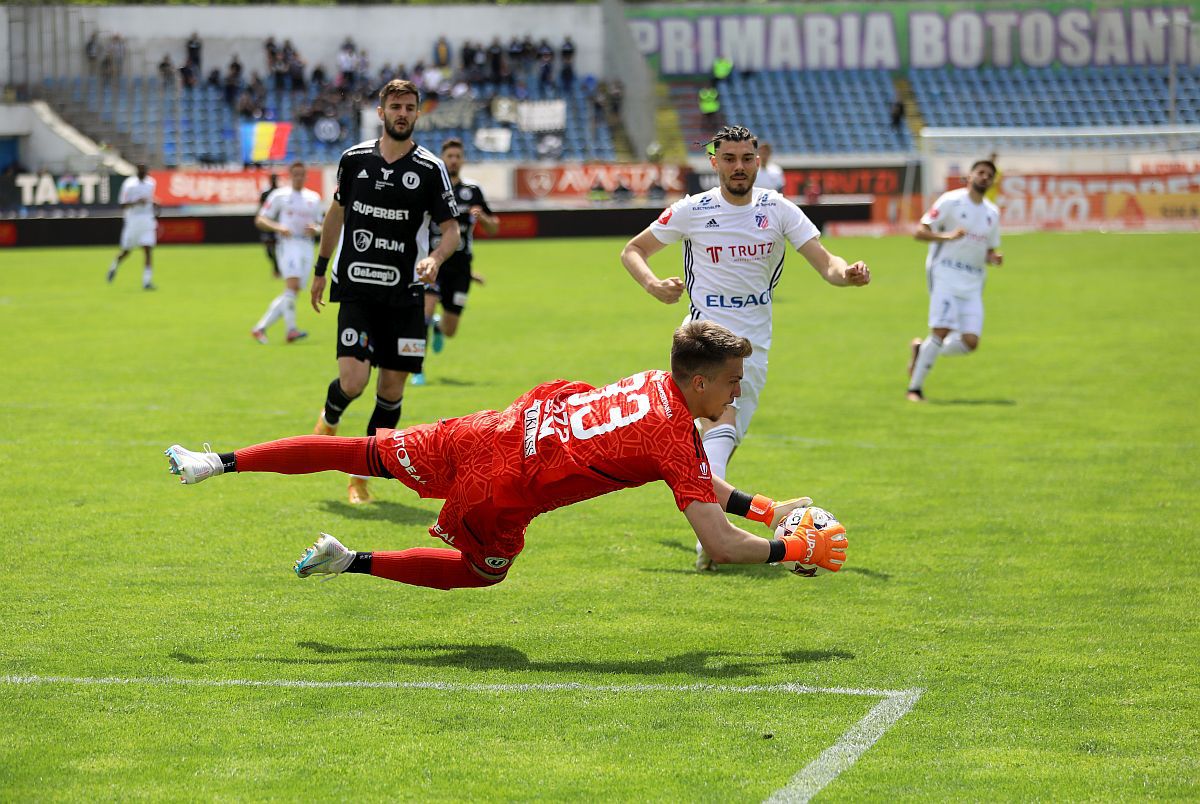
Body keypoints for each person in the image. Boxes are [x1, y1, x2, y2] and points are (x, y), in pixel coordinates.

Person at [164, 321, 848, 587]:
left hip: (488, 430)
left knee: (357, 448)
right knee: (484, 571)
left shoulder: (653, 383)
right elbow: (721, 546)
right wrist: (793, 549)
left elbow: (703, 482)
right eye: (731, 384)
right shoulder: (673, 436)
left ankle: (214, 461)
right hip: (506, 482)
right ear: (697, 382)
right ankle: (352, 560)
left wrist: (767, 508)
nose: (736, 397)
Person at [619, 125, 870, 571]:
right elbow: (633, 250)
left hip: (754, 345)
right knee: (718, 422)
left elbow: (825, 261)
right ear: (713, 162)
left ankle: (718, 524)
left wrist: (845, 272)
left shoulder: (779, 210)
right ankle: (716, 537)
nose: (739, 167)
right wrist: (653, 285)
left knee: (712, 442)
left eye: (746, 158)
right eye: (729, 158)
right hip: (702, 337)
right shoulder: (693, 209)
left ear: (759, 161)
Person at [308, 78, 460, 505]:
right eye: (395, 106)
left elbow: (451, 232)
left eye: (409, 107)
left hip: (406, 295)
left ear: (416, 113)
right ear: (381, 112)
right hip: (356, 287)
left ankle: (359, 476)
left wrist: (435, 258)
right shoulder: (353, 159)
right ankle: (330, 415)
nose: (402, 113)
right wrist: (320, 269)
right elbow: (334, 216)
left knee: (391, 390)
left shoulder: (430, 169)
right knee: (353, 381)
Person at [906, 158, 1002, 402]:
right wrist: (949, 237)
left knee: (970, 342)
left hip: (973, 280)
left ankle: (922, 351)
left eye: (989, 175)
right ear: (969, 177)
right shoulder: (951, 200)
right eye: (980, 172)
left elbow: (990, 249)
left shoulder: (992, 213)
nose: (984, 177)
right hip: (945, 272)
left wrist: (993, 258)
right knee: (941, 330)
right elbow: (920, 232)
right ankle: (914, 389)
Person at [413, 137, 498, 386]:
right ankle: (417, 368)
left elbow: (494, 228)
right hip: (433, 263)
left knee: (451, 329)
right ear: (442, 159)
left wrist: (481, 217)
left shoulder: (473, 191)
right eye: (449, 156)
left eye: (457, 157)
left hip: (460, 267)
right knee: (425, 313)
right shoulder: (432, 189)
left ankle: (439, 327)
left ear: (462, 160)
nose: (453, 161)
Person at [251, 162, 323, 345]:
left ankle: (260, 328)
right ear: (290, 176)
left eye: (302, 174)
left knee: (294, 291)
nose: (299, 178)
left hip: (306, 245)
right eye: (295, 174)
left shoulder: (313, 198)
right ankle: (291, 330)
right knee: (292, 287)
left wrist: (315, 229)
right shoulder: (280, 196)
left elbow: (322, 225)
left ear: (306, 176)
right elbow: (260, 219)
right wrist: (279, 227)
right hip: (289, 244)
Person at [106, 163, 159, 290]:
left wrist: (155, 203)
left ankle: (146, 281)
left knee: (148, 250)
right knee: (126, 252)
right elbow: (123, 205)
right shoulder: (129, 184)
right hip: (133, 221)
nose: (143, 172)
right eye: (141, 170)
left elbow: (150, 199)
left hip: (147, 220)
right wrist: (136, 202)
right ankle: (113, 267)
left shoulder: (151, 183)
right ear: (137, 171)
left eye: (144, 169)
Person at [258, 173, 280, 277]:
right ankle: (276, 266)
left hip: (279, 225)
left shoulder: (281, 193)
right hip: (268, 224)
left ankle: (279, 269)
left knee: (280, 248)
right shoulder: (265, 194)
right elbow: (261, 208)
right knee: (269, 250)